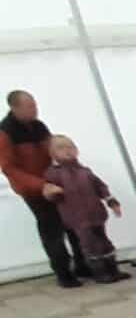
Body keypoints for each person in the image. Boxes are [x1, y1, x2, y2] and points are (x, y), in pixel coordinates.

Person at [2, 90, 85, 286]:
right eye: (30, 106)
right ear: (15, 108)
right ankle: (63, 273)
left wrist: (71, 165)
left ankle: (82, 264)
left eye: (35, 105)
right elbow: (9, 168)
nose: (35, 109)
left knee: (73, 224)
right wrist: (41, 185)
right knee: (52, 229)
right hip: (33, 190)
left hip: (55, 182)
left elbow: (53, 149)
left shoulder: (39, 127)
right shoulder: (4, 133)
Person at [43, 135, 129, 283]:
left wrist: (112, 202)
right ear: (52, 154)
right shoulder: (52, 173)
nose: (67, 150)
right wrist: (52, 193)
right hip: (77, 218)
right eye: (61, 148)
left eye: (70, 146)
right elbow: (50, 194)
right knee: (89, 245)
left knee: (104, 242)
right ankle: (100, 272)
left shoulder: (85, 171)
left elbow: (100, 187)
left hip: (96, 215)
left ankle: (113, 269)